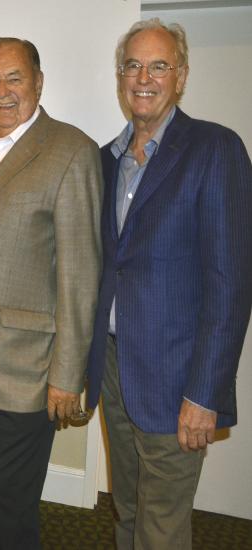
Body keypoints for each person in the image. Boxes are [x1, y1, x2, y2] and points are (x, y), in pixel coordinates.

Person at [85, 19, 252, 550]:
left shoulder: (215, 149)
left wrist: (205, 393)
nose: (144, 77)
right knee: (128, 509)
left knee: (161, 530)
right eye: (133, 65)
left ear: (180, 76)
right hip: (115, 369)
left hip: (177, 379)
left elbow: (231, 283)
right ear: (120, 77)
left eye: (159, 65)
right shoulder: (105, 161)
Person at [0, 37, 103, 549]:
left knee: (11, 515)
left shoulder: (71, 151)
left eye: (14, 78)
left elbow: (80, 275)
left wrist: (66, 377)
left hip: (23, 373)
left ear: (38, 82)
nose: (2, 91)